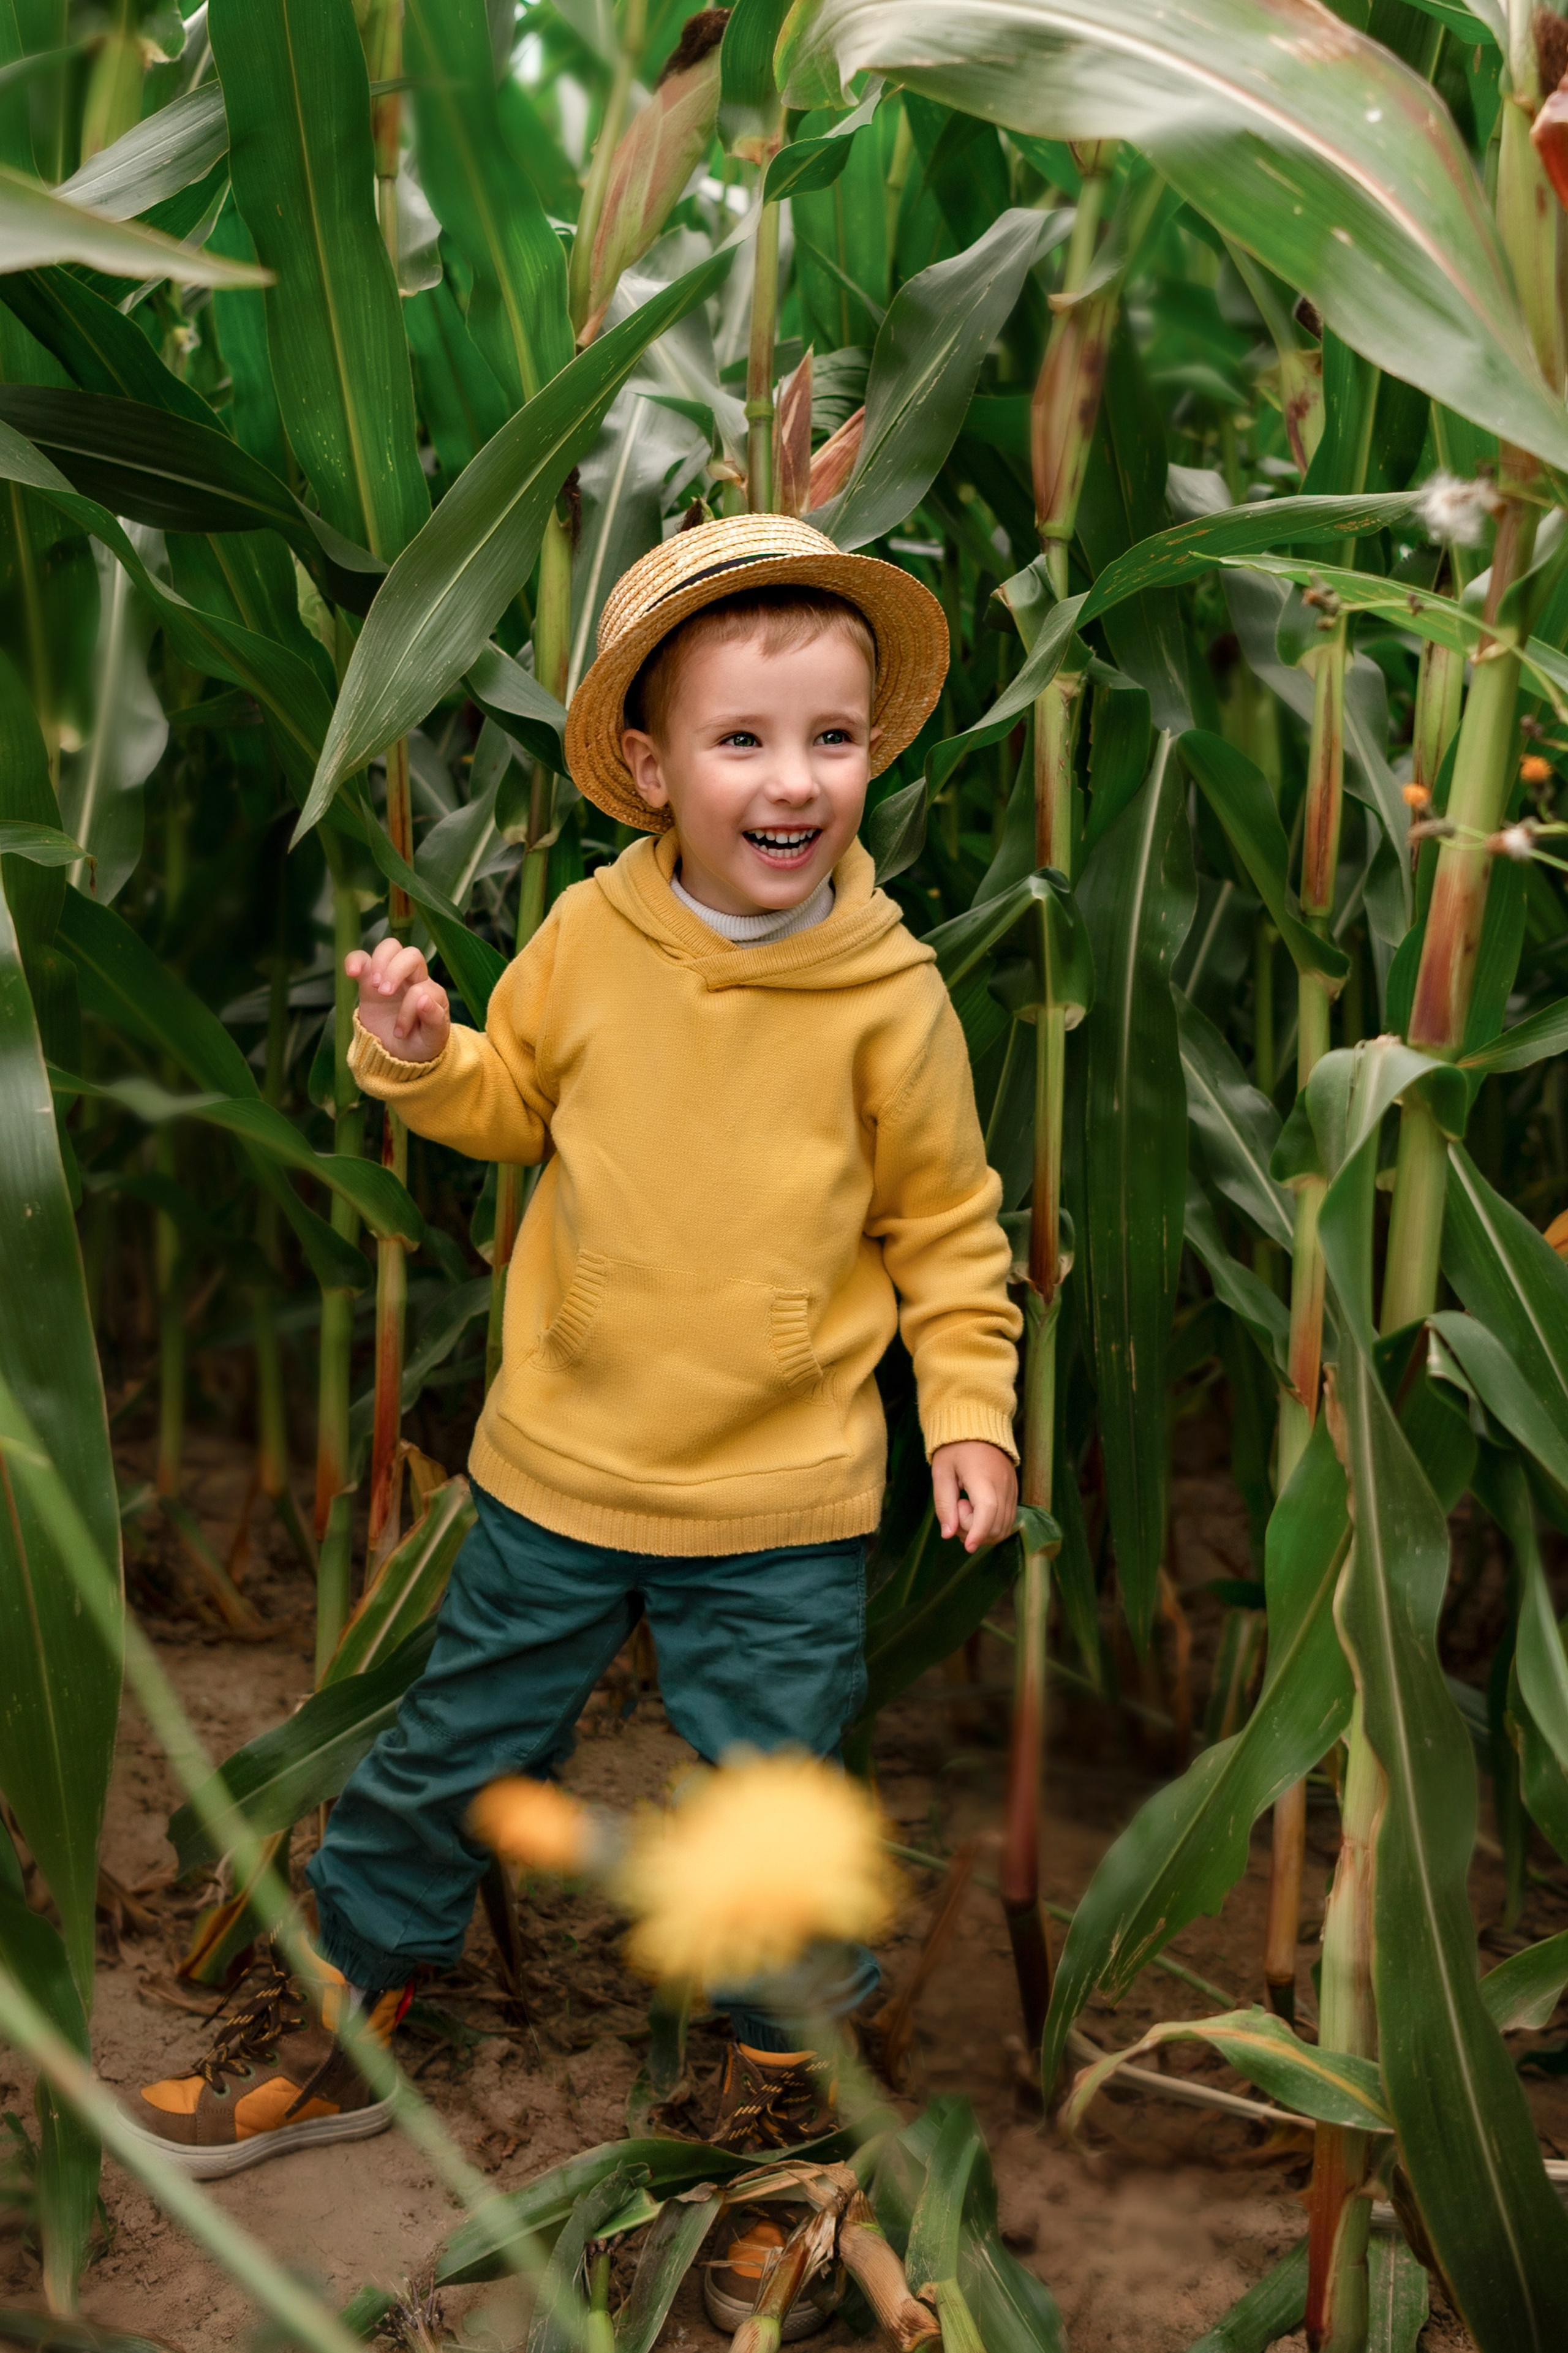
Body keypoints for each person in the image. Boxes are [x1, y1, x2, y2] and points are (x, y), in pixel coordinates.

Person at [123, 516, 1021, 2313]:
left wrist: (970, 1413)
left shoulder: (891, 999)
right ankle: (343, 2006)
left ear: (870, 755)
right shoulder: (591, 939)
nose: (793, 780)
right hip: (563, 1470)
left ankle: (787, 2130)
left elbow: (949, 1228)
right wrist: (410, 1046)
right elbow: (503, 1102)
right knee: (446, 1751)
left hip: (781, 1500)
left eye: (831, 739)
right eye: (744, 740)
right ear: (648, 764)